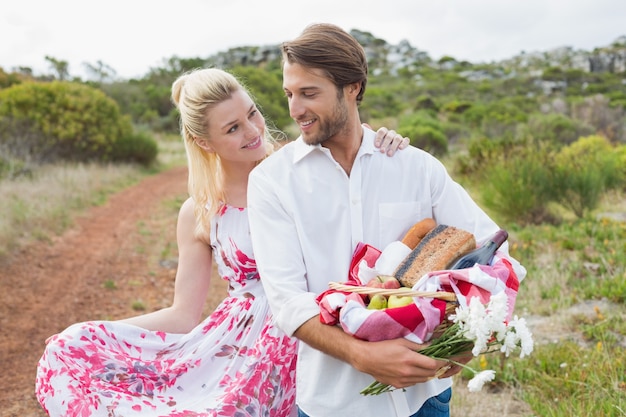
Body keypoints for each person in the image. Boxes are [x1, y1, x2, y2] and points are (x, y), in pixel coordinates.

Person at [35, 67, 409, 417]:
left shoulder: (306, 167)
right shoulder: (201, 212)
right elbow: (183, 314)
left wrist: (379, 142)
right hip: (240, 353)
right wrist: (99, 334)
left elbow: (360, 168)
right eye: (232, 128)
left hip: (312, 330)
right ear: (204, 141)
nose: (252, 131)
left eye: (252, 113)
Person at [246, 23, 527, 417]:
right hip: (334, 402)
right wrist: (363, 356)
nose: (295, 110)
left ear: (353, 87)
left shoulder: (416, 167)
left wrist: (465, 338)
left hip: (425, 396)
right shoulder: (271, 183)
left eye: (309, 93)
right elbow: (288, 301)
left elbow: (496, 251)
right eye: (289, 94)